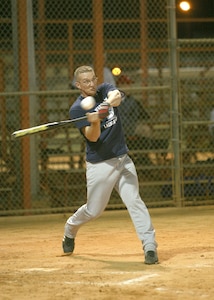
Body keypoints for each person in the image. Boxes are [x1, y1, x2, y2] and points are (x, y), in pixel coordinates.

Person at [62, 65, 158, 264]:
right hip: (100, 164)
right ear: (78, 85)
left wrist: (103, 107)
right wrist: (95, 121)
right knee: (93, 211)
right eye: (85, 81)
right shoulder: (77, 109)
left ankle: (149, 246)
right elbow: (93, 137)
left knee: (134, 201)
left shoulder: (104, 89)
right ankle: (70, 228)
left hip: (122, 159)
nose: (90, 84)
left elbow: (116, 96)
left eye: (92, 79)